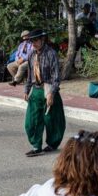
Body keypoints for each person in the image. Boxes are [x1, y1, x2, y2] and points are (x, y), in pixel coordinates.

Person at [22, 29, 65, 157]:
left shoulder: (51, 54)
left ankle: (52, 144)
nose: (33, 43)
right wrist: (26, 89)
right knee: (31, 121)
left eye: (35, 40)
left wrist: (52, 93)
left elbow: (56, 77)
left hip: (48, 90)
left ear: (42, 40)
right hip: (36, 91)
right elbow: (30, 75)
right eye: (31, 41)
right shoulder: (31, 55)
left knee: (52, 120)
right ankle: (36, 146)